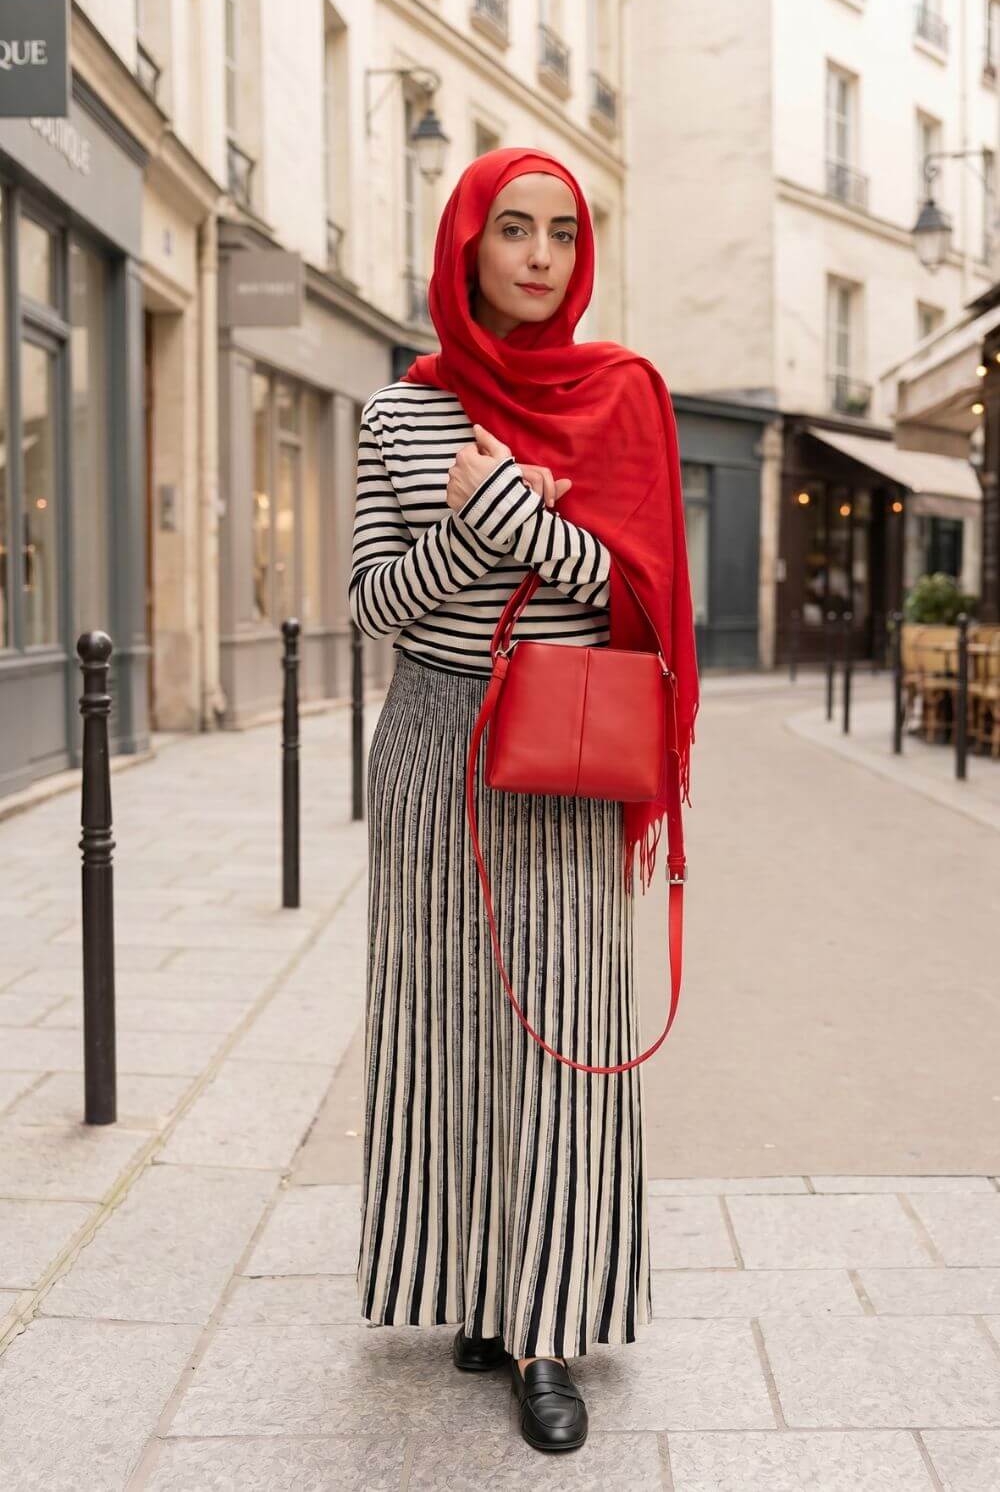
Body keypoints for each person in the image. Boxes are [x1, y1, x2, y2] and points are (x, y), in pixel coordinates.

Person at [350, 147, 698, 1454]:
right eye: (514, 230)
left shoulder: (622, 400)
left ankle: (549, 1327)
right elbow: (374, 606)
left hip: (562, 741)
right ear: (467, 245)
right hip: (431, 744)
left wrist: (501, 507)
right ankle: (481, 1292)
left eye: (562, 231)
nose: (541, 256)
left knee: (558, 1028)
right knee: (446, 1026)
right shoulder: (401, 413)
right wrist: (459, 528)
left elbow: (630, 592)